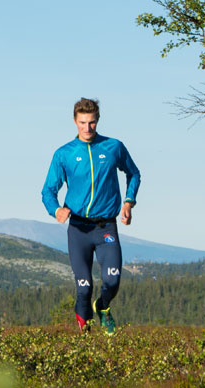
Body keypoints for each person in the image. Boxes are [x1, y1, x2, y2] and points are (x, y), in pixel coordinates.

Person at [42, 98, 140, 335]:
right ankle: (84, 335)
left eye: (92, 123)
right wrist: (56, 210)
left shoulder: (113, 147)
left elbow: (134, 174)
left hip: (106, 226)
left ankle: (103, 307)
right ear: (75, 122)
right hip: (78, 230)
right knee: (84, 287)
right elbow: (48, 190)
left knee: (112, 280)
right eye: (83, 123)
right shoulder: (64, 154)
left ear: (98, 121)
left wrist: (128, 202)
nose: (87, 128)